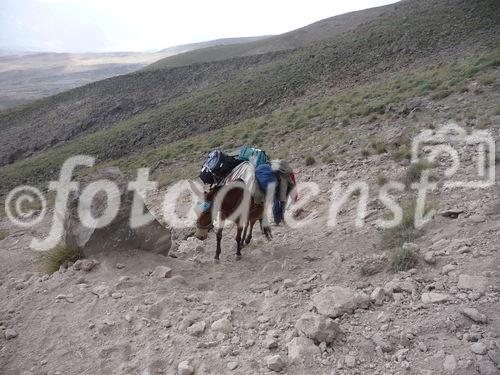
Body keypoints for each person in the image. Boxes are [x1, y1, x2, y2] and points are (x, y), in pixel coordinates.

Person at [271, 160, 297, 225]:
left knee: (276, 204)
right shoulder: (287, 172)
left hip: (277, 189)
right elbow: (292, 182)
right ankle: (283, 219)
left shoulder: (275, 171)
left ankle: (277, 221)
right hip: (286, 189)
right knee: (283, 204)